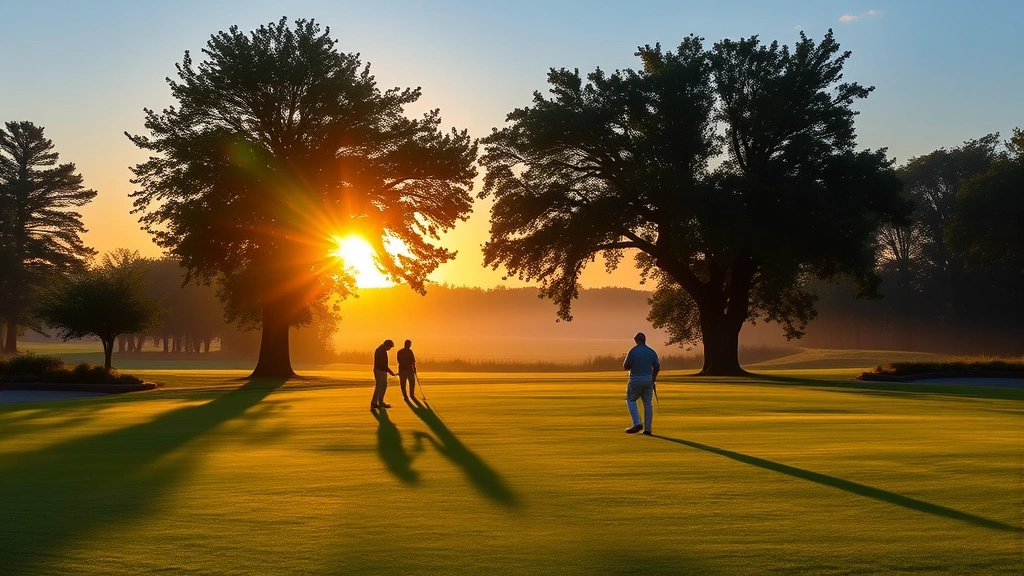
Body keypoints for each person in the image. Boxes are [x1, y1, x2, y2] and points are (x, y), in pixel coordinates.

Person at [623, 332, 659, 435]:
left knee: (630, 400)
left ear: (636, 340)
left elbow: (626, 366)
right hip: (648, 379)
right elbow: (657, 367)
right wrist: (653, 379)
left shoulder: (633, 351)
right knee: (648, 403)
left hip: (636, 378)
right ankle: (648, 429)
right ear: (644, 340)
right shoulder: (651, 352)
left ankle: (637, 423)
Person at [371, 339, 397, 409]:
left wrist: (389, 371)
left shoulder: (380, 350)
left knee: (379, 386)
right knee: (382, 385)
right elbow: (383, 365)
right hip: (380, 371)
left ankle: (375, 402)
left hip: (379, 370)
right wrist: (390, 372)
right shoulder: (381, 351)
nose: (390, 348)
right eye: (390, 347)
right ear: (387, 345)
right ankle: (379, 402)